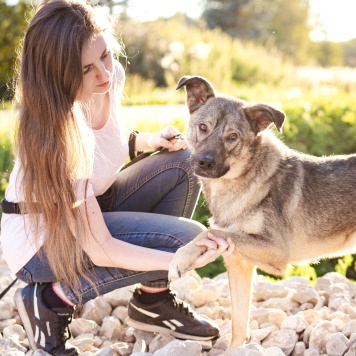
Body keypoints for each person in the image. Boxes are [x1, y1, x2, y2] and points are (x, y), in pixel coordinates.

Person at [0, 0, 235, 354]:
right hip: (40, 240)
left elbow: (106, 143)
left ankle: (152, 301)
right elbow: (102, 248)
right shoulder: (57, 135)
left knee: (182, 162)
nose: (104, 75)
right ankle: (50, 300)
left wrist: (146, 142)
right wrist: (179, 261)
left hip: (91, 203)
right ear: (58, 76)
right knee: (184, 240)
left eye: (105, 57)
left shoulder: (111, 78)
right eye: (85, 70)